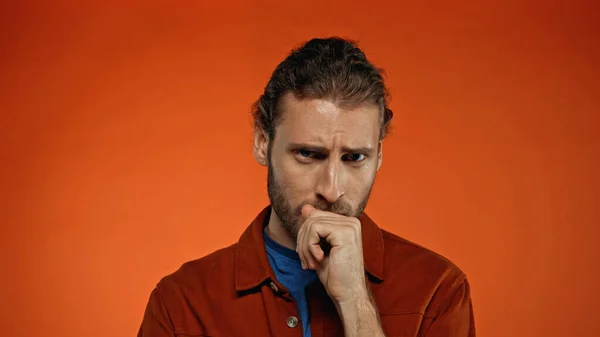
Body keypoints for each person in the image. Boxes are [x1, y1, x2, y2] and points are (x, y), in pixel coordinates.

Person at [137, 37, 475, 337]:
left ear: (379, 155)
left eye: (354, 157)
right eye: (308, 154)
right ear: (262, 142)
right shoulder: (182, 302)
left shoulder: (439, 290)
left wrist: (356, 303)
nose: (331, 189)